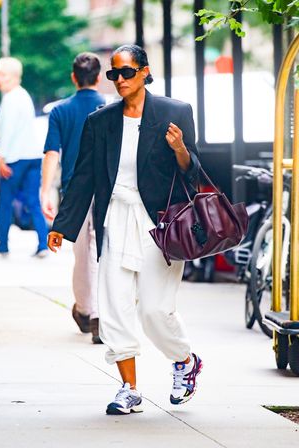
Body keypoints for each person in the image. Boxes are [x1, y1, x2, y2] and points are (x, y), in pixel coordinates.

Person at [48, 44, 202, 415]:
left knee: (154, 310)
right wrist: (63, 225)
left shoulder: (174, 112)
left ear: (145, 72)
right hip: (115, 218)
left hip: (159, 224)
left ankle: (184, 361)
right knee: (115, 308)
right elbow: (83, 176)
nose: (119, 80)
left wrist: (180, 148)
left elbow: (193, 173)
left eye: (127, 72)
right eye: (114, 73)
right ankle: (129, 389)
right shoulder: (100, 121)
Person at [41, 52, 105, 343]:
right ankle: (98, 315)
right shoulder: (110, 108)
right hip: (106, 190)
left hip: (73, 192)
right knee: (103, 253)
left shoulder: (60, 111)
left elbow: (52, 153)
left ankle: (86, 309)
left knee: (81, 255)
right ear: (100, 77)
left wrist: (45, 191)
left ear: (73, 77)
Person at [0, 57, 48, 257]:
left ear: (14, 76)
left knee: (5, 201)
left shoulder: (11, 98)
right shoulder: (23, 96)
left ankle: (3, 243)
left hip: (15, 158)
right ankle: (42, 244)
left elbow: (7, 130)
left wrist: (1, 157)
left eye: (2, 75)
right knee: (33, 201)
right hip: (33, 156)